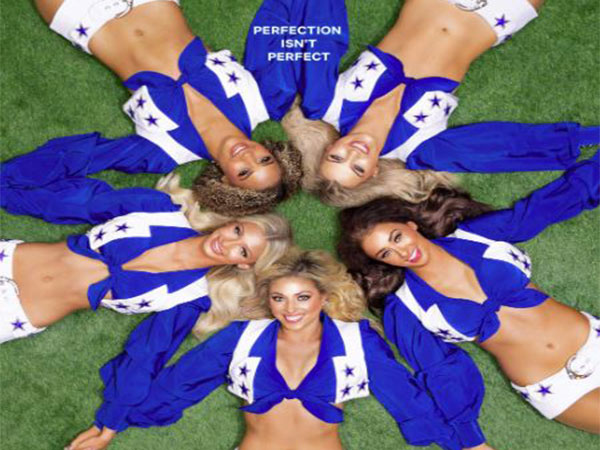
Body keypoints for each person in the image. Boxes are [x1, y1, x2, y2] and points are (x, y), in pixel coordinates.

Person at [67, 249, 487, 450]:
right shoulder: (243, 337)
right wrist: (110, 426)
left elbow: (406, 397)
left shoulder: (356, 340)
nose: (291, 309)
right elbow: (179, 384)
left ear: (323, 298)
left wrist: (468, 443)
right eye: (279, 298)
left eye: (302, 297)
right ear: (268, 301)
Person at [337, 151, 599, 434]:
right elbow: (438, 369)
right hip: (552, 387)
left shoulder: (477, 236)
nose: (402, 251)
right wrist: (469, 436)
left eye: (397, 237)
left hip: (591, 338)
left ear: (410, 224)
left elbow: (539, 209)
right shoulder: (405, 308)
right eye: (386, 253)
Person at [263, 0, 599, 207]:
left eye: (337, 157)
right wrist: (588, 136)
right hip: (501, 11)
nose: (353, 153)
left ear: (329, 147)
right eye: (358, 168)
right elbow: (501, 144)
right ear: (374, 171)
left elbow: (319, 31)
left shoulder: (327, 102)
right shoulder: (419, 147)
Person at [0, 137, 293, 343]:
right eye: (237, 231)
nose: (227, 243)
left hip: (16, 314)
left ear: (244, 265)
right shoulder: (159, 209)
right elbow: (79, 203)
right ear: (231, 222)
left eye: (242, 251)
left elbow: (147, 352)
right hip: (11, 259)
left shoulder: (191, 297)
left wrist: (117, 414)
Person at [31, 0, 303, 215]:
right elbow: (286, 28)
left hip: (81, 15)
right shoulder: (264, 99)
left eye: (244, 172)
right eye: (264, 159)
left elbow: (83, 156)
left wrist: (16, 183)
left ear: (225, 182)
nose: (248, 156)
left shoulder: (166, 151)